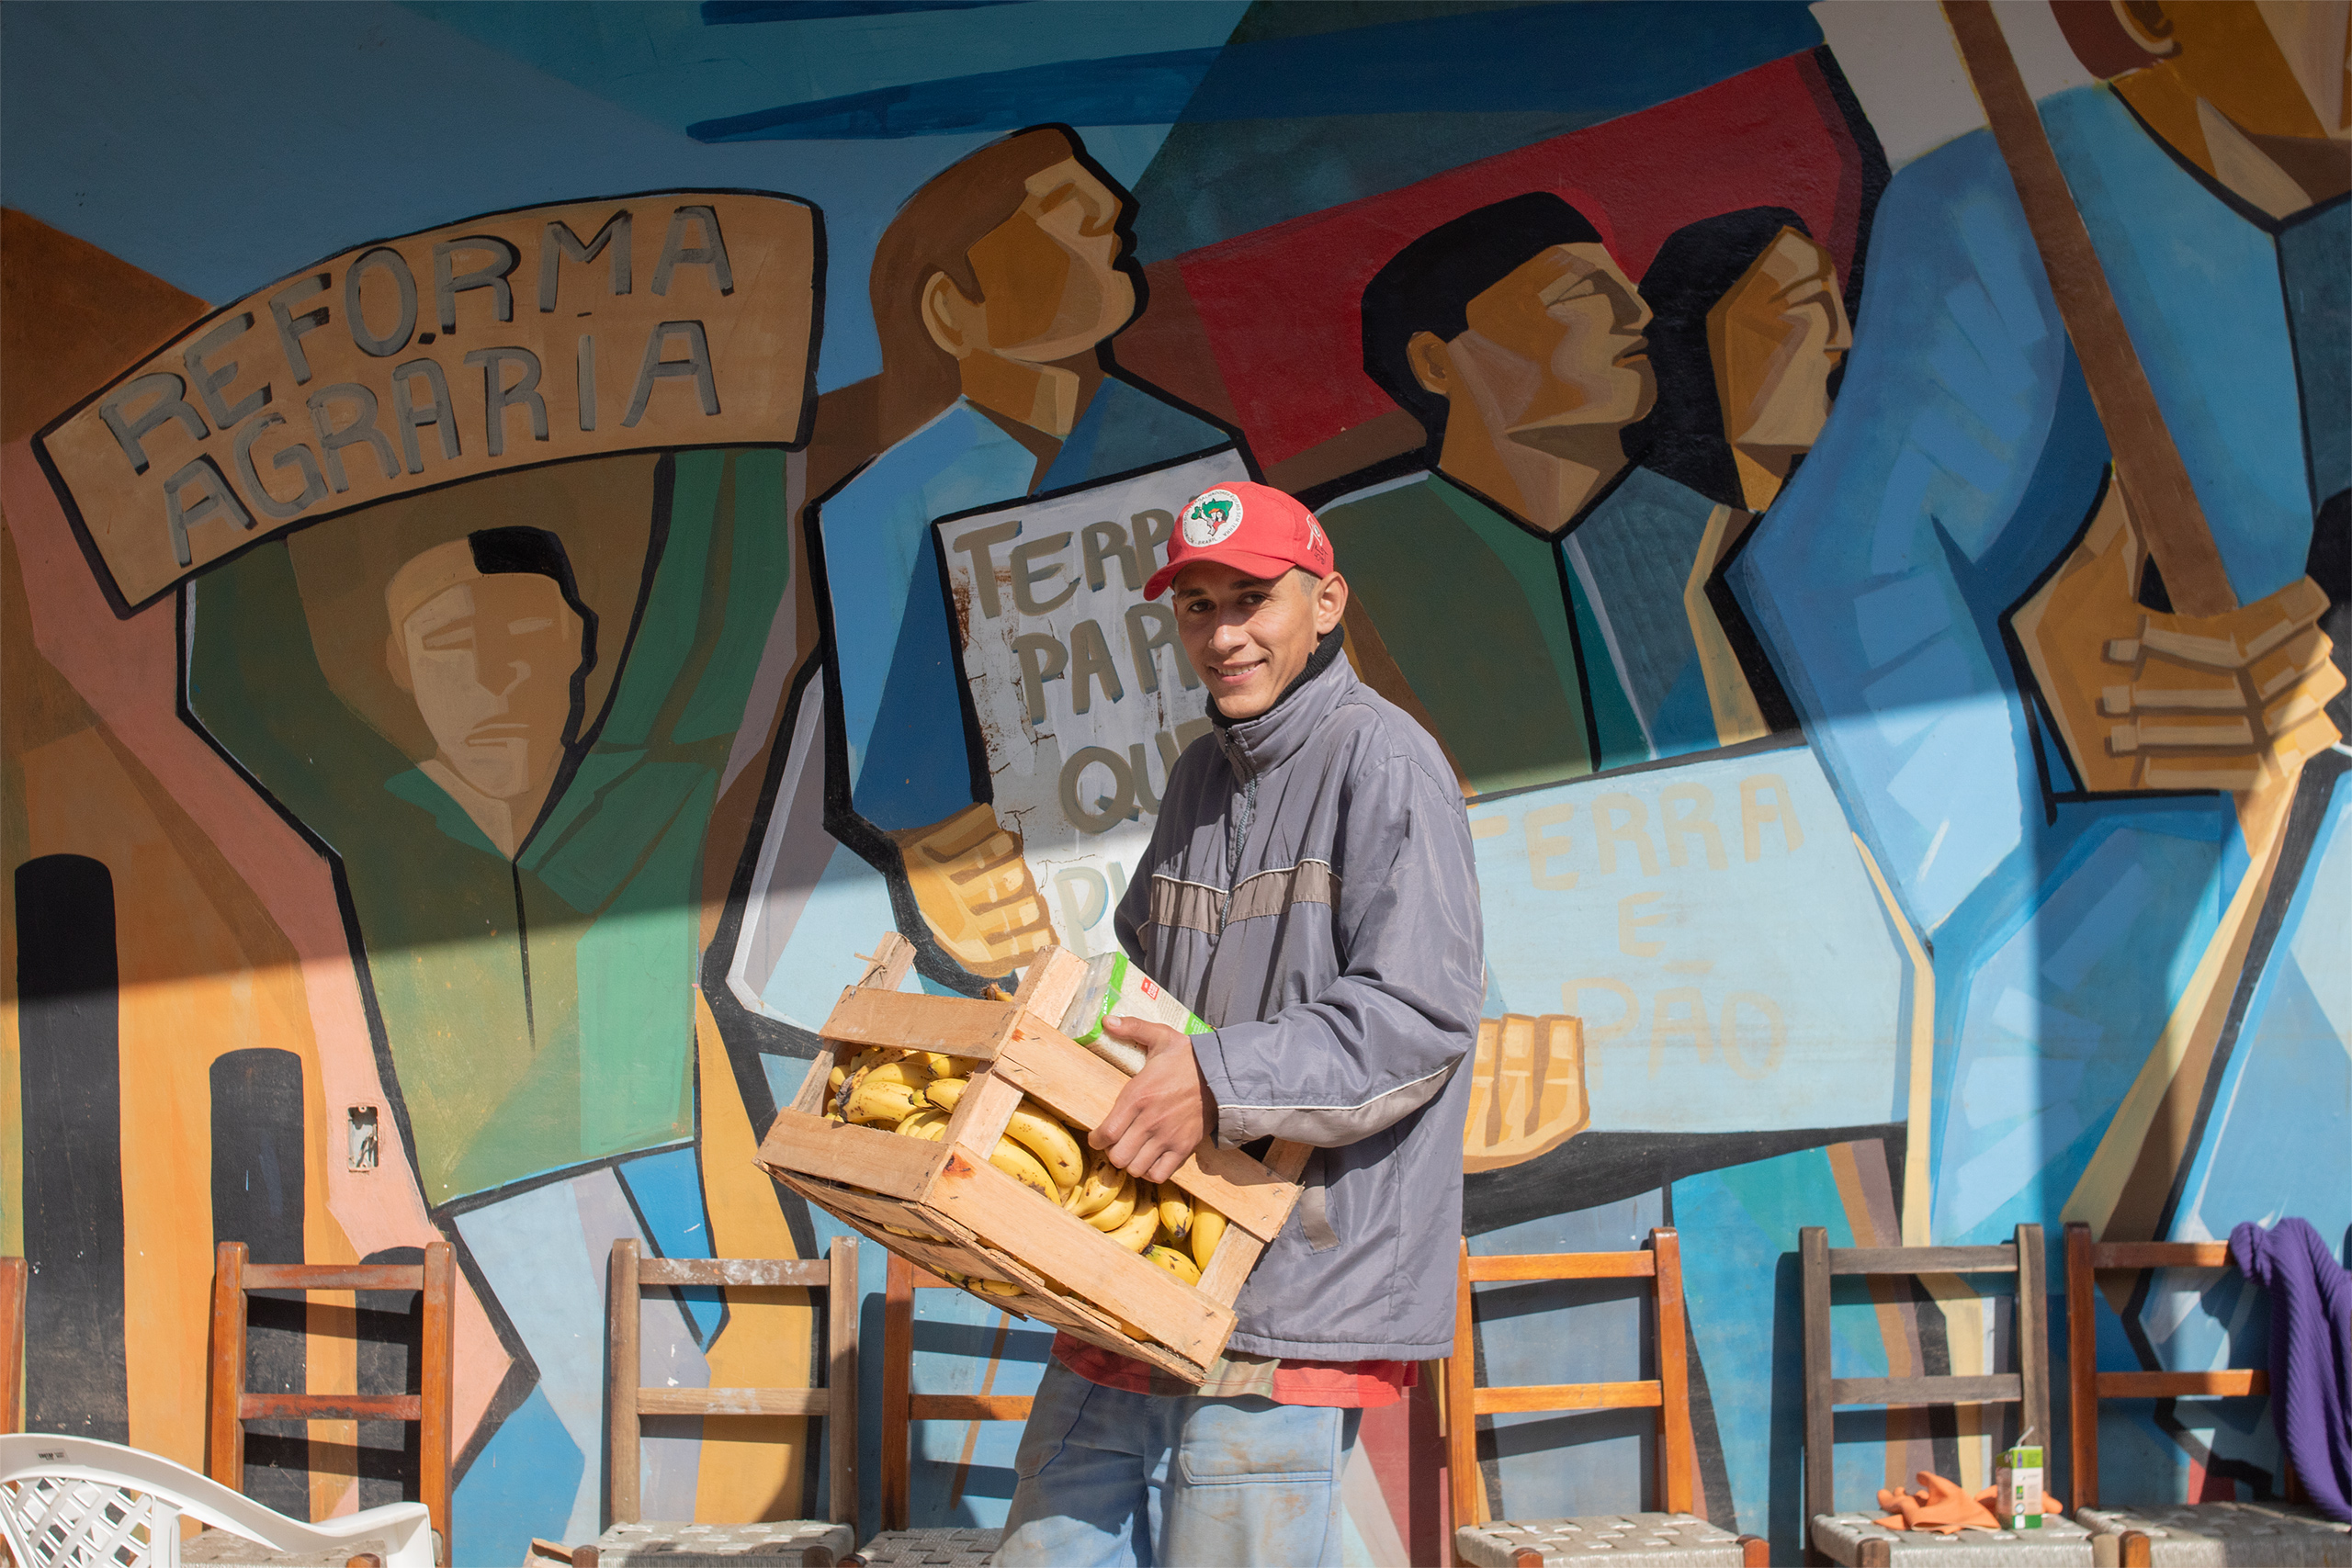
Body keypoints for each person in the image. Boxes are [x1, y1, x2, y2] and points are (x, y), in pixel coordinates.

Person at [994, 480, 1484, 1567]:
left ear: (1326, 602)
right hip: (1148, 1260)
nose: (1223, 635)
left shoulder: (1387, 763)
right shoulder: (1197, 777)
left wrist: (1215, 1078)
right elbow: (1151, 987)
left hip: (1294, 1277)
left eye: (1251, 599)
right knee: (1045, 1543)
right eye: (1196, 606)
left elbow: (1417, 1017)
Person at [813, 124, 1246, 977]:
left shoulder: (1191, 453)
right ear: (951, 307)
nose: (1112, 211)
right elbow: (899, 790)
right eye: (1060, 210)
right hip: (1044, 949)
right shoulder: (881, 509)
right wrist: (941, 861)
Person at [1322, 192, 1747, 795]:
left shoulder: (1716, 535)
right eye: (1580, 298)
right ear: (1436, 362)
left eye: (1625, 287)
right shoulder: (1348, 562)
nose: (1635, 312)